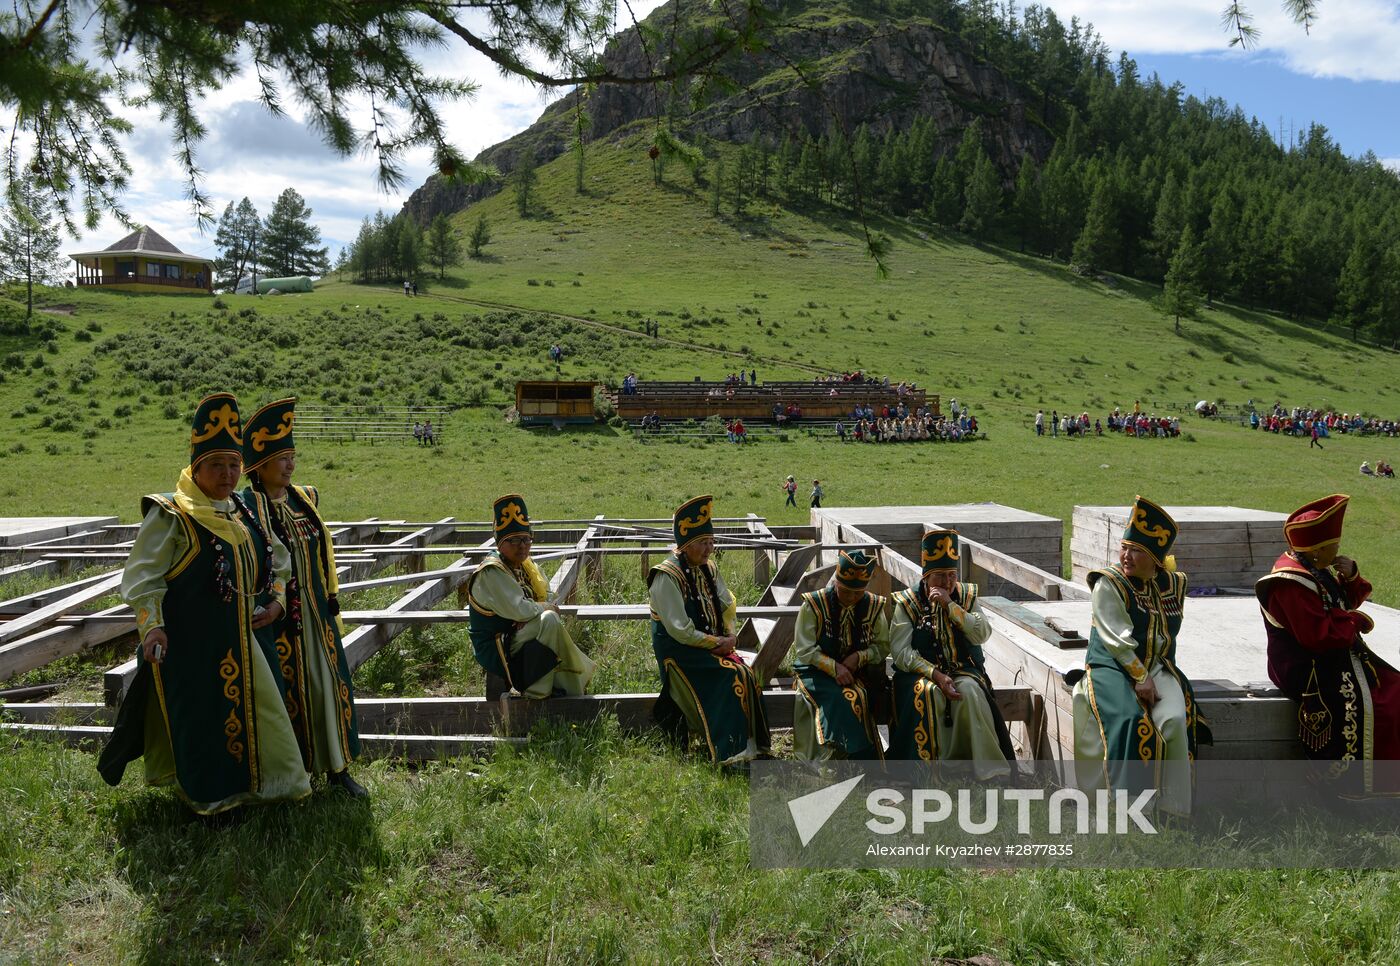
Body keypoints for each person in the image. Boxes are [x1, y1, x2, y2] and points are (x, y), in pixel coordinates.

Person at [98, 393, 311, 815]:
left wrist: (276, 600)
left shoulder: (241, 511)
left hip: (249, 642)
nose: (228, 474)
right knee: (205, 724)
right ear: (196, 467)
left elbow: (277, 559)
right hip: (196, 648)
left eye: (234, 464)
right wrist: (152, 625)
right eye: (217, 465)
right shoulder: (172, 514)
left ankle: (267, 790)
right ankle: (210, 801)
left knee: (263, 718)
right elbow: (144, 576)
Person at [241, 398, 365, 797]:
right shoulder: (247, 507)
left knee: (328, 686)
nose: (290, 465)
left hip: (318, 617)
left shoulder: (302, 500)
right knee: (290, 692)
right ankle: (295, 776)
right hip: (283, 623)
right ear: (259, 465)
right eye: (282, 458)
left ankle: (337, 767)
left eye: (293, 456)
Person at [1070, 496, 1211, 817]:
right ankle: (1125, 811)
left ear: (1155, 559)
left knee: (1174, 720)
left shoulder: (1174, 584)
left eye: (1136, 551)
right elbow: (1116, 640)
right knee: (1130, 721)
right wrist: (1140, 677)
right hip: (1112, 667)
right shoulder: (1109, 583)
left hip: (1158, 668)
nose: (1125, 556)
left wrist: (1151, 675)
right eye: (1124, 547)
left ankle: (1174, 808)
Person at [1256, 494, 1400, 795]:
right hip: (1305, 667)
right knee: (1382, 704)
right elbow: (1319, 636)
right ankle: (1353, 786)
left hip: (1328, 656)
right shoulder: (1289, 583)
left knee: (1394, 688)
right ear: (1319, 550)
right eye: (1334, 545)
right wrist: (1356, 621)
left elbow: (1335, 604)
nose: (1338, 550)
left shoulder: (1313, 569)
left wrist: (1350, 579)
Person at [647, 495, 770, 765]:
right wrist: (716, 643)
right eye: (703, 543)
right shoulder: (666, 576)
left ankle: (753, 748)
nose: (709, 549)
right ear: (686, 545)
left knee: (747, 672)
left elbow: (726, 602)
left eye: (712, 541)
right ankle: (731, 754)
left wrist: (730, 635)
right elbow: (680, 630)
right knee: (730, 676)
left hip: (710, 644)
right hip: (680, 652)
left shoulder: (708, 568)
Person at [889, 529, 1014, 777]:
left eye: (951, 575)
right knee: (929, 694)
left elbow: (982, 634)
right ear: (926, 577)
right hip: (919, 674)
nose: (947, 583)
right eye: (940, 576)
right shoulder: (907, 603)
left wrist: (951, 606)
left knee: (970, 692)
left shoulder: (965, 596)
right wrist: (934, 674)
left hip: (963, 670)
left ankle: (986, 769)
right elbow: (901, 652)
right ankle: (931, 770)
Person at [466, 495, 596, 698]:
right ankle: (541, 690)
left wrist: (532, 614)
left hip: (516, 633)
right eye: (514, 540)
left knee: (549, 619)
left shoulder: (526, 565)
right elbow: (520, 610)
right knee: (550, 618)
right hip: (497, 644)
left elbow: (547, 596)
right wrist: (536, 611)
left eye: (526, 539)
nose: (522, 546)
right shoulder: (491, 572)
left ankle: (555, 685)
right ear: (500, 544)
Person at [792, 550, 890, 761]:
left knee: (860, 695)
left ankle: (854, 758)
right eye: (846, 591)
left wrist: (860, 657)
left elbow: (883, 646)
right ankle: (831, 755)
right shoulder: (814, 605)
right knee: (842, 698)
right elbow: (804, 649)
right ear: (836, 582)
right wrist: (834, 667)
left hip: (858, 672)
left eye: (858, 593)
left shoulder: (873, 606)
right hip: (816, 670)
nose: (852, 598)